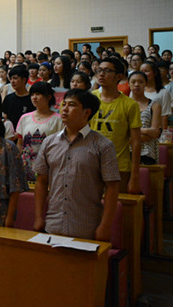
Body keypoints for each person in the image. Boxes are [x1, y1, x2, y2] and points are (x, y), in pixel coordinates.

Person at [34, 89, 120, 240]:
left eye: (72, 105)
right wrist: (38, 217)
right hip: (53, 225)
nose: (65, 109)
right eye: (64, 104)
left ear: (87, 112)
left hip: (86, 227)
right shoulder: (49, 142)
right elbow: (41, 181)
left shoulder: (103, 145)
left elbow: (112, 187)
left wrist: (105, 226)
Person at [90, 57, 141, 194]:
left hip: (119, 166)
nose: (101, 74)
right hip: (91, 164)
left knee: (116, 205)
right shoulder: (90, 99)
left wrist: (135, 176)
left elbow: (136, 142)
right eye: (99, 70)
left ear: (119, 76)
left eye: (107, 71)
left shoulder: (130, 104)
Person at [15, 82, 61, 181]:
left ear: (48, 97)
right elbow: (20, 143)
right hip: (26, 167)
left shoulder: (58, 120)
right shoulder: (24, 118)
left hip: (48, 167)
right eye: (32, 95)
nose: (34, 97)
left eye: (38, 94)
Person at [129, 71, 161, 165]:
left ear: (145, 84)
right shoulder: (122, 104)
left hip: (147, 152)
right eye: (133, 82)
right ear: (129, 84)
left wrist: (131, 131)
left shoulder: (154, 105)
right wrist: (146, 132)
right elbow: (120, 133)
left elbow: (155, 132)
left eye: (141, 82)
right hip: (125, 151)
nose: (137, 84)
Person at [140, 60, 173, 128]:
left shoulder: (163, 92)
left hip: (156, 129)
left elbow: (164, 117)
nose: (143, 74)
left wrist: (163, 132)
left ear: (155, 73)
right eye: (141, 71)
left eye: (146, 71)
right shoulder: (136, 91)